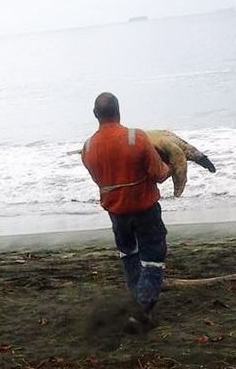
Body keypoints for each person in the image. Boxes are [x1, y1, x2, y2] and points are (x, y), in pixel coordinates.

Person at [81, 92, 172, 327]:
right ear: (119, 111)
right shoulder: (137, 138)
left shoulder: (88, 148)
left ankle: (136, 302)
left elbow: (99, 180)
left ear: (95, 115)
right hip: (145, 210)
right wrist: (173, 164)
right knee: (153, 258)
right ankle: (139, 311)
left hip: (117, 215)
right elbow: (159, 175)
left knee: (129, 255)